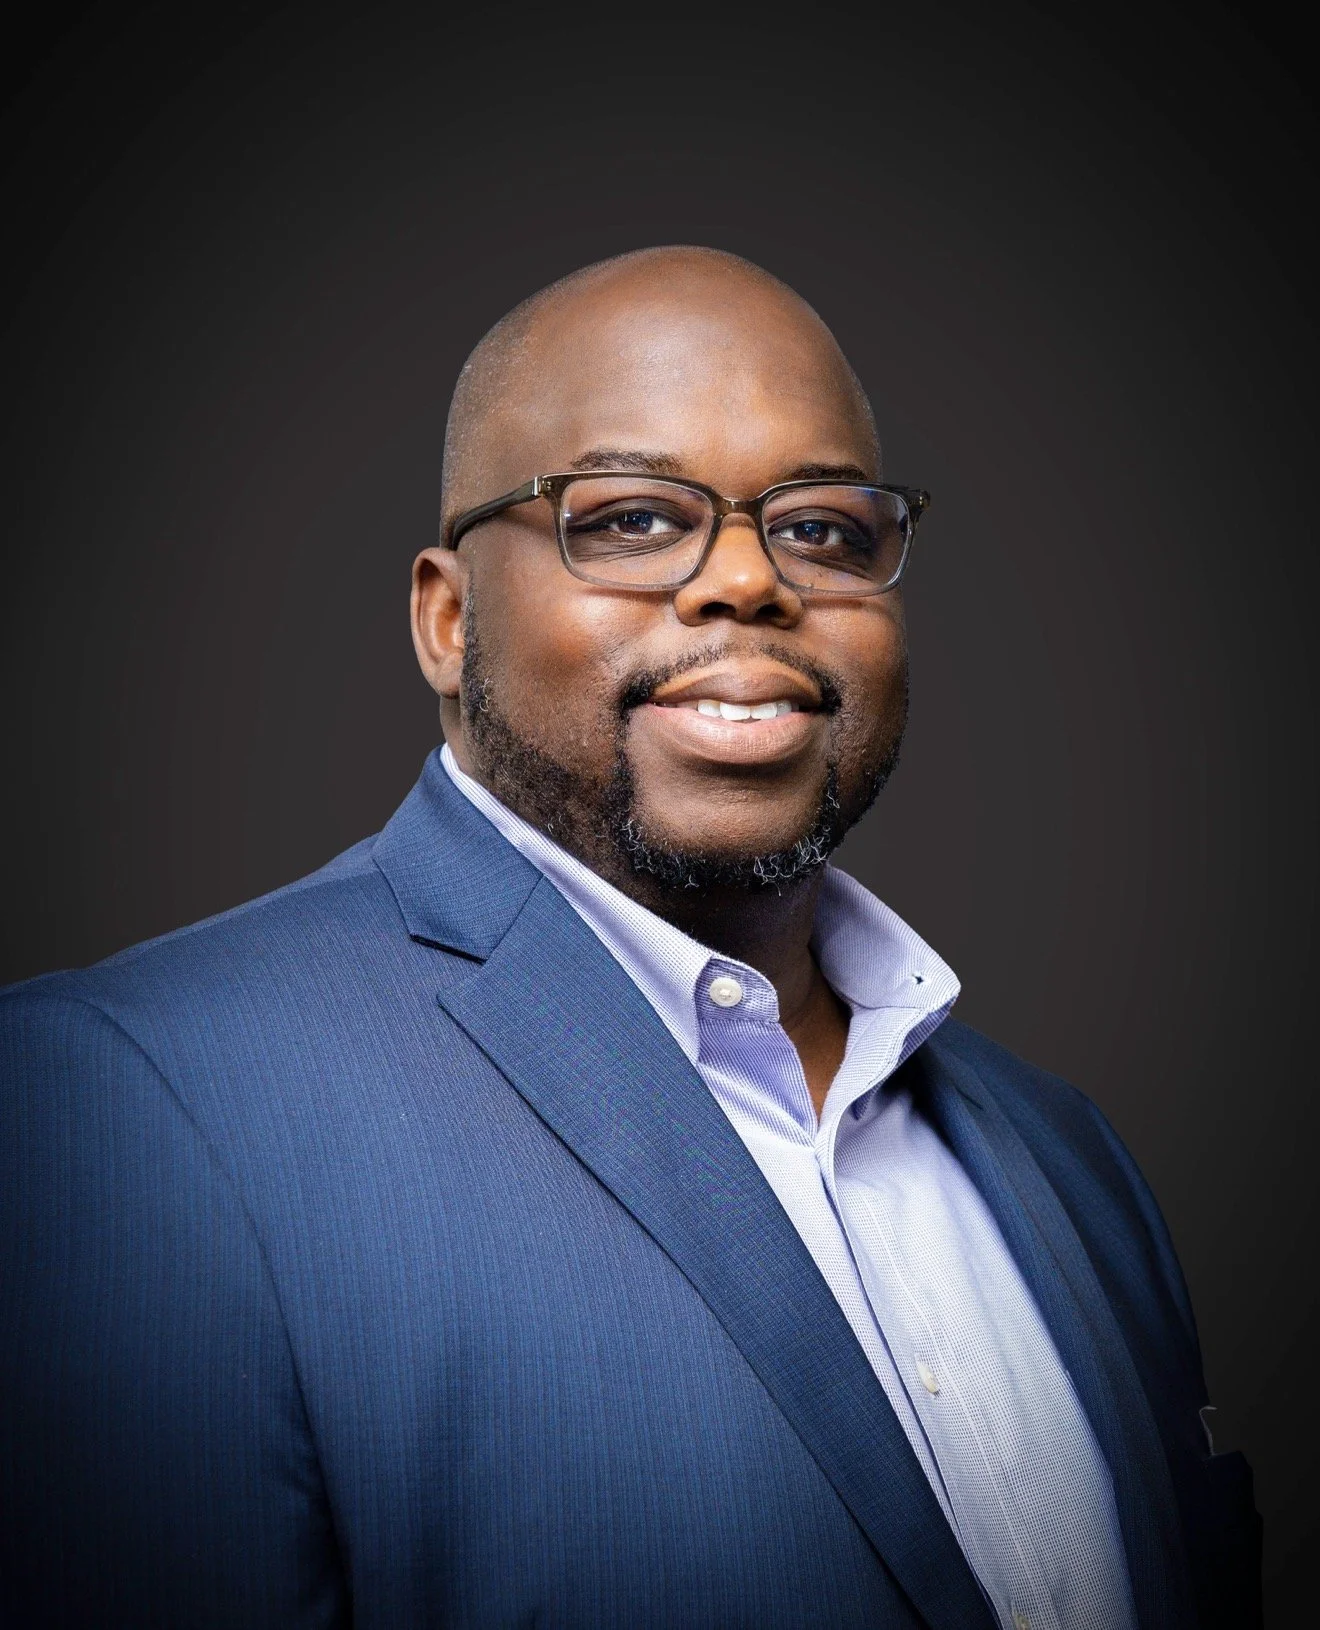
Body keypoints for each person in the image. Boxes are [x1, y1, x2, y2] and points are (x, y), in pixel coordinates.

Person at [0, 247, 1260, 1628]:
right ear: (444, 615)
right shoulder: (118, 1107)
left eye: (824, 528)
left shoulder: (1070, 1157)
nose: (746, 580)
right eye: (634, 518)